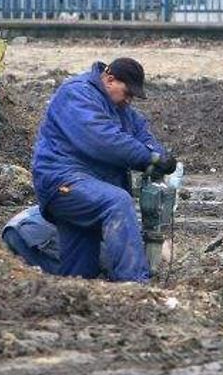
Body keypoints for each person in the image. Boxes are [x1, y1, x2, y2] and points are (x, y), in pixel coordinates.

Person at [31, 57, 177, 282]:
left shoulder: (119, 107)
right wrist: (149, 159)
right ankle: (133, 282)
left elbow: (141, 134)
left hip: (89, 184)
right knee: (116, 202)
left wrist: (159, 155)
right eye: (127, 93)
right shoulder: (76, 94)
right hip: (62, 179)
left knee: (80, 269)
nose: (129, 100)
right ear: (109, 79)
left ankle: (76, 298)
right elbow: (103, 141)